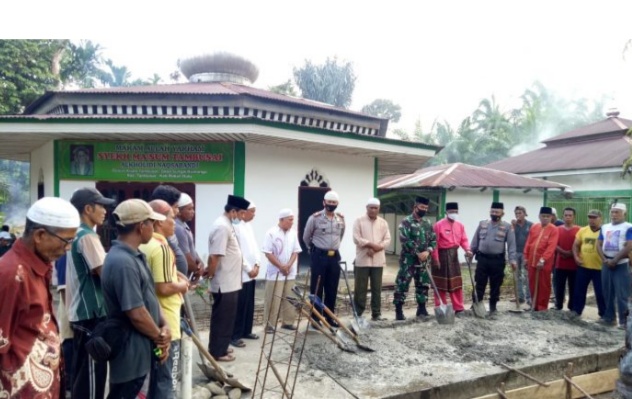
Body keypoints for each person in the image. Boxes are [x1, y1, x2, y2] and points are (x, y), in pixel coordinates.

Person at [0, 197, 80, 398]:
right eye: (67, 240)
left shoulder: (38, 266)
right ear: (40, 235)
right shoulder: (11, 274)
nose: (68, 248)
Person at [101, 199, 171, 398]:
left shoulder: (135, 256)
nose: (154, 227)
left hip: (144, 350)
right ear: (142, 227)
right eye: (151, 223)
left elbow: (150, 296)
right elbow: (136, 313)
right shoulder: (122, 262)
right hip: (131, 357)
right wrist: (160, 338)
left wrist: (164, 327)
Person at [66, 187, 115, 399]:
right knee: (93, 377)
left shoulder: (73, 234)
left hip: (79, 314)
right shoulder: (87, 237)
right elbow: (105, 273)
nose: (105, 211)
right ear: (88, 208)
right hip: (91, 315)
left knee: (81, 375)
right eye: (101, 206)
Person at [140, 200, 189, 398]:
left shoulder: (144, 245)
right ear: (159, 221)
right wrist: (183, 285)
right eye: (172, 218)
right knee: (166, 379)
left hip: (152, 320)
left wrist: (176, 277)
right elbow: (164, 287)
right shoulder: (161, 248)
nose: (174, 224)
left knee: (155, 376)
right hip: (167, 322)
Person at [206, 194, 250, 362]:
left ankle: (221, 347)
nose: (242, 217)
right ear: (233, 211)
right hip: (223, 282)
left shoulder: (227, 224)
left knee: (227, 318)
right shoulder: (222, 227)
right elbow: (215, 256)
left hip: (230, 281)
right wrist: (209, 276)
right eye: (240, 214)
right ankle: (217, 352)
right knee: (222, 318)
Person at [303, 190, 345, 327]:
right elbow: (306, 237)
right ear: (324, 202)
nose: (331, 205)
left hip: (334, 257)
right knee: (317, 288)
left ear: (337, 204)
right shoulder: (314, 218)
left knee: (332, 288)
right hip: (319, 256)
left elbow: (341, 236)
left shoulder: (340, 219)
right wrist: (314, 250)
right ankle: (315, 318)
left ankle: (329, 317)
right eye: (329, 202)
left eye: (334, 203)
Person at [393, 196, 436, 321]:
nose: (424, 210)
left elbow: (433, 240)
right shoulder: (405, 222)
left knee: (423, 284)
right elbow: (404, 240)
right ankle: (398, 310)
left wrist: (428, 252)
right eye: (422, 207)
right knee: (402, 284)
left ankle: (421, 309)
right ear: (415, 207)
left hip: (424, 261)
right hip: (409, 261)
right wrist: (418, 252)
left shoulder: (427, 223)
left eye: (426, 208)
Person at [470, 202, 517, 317]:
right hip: (482, 259)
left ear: (502, 213)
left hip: (497, 261)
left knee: (495, 284)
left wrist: (513, 260)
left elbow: (511, 245)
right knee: (479, 282)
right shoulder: (482, 224)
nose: (494, 213)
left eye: (497, 212)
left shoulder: (507, 227)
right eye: (492, 211)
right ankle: (476, 304)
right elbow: (475, 241)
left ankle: (493, 307)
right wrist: (471, 252)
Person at [262, 209, 302, 332]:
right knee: (273, 298)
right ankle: (270, 325)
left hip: (290, 271)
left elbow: (296, 251)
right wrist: (281, 266)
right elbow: (268, 253)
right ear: (281, 220)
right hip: (275, 272)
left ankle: (288, 322)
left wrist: (288, 266)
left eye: (292, 220)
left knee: (290, 297)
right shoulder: (271, 233)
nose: (292, 223)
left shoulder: (293, 233)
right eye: (289, 220)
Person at [352, 198, 391, 321]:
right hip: (362, 260)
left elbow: (387, 239)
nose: (373, 210)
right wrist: (370, 244)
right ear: (367, 208)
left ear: (379, 209)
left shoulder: (383, 223)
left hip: (378, 260)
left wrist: (376, 248)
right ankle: (358, 313)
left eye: (376, 208)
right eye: (371, 207)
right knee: (360, 288)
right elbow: (356, 238)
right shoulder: (359, 221)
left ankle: (376, 313)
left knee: (377, 288)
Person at [431, 202, 472, 317]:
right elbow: (434, 244)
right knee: (440, 284)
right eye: (451, 212)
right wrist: (435, 259)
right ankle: (441, 307)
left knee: (456, 283)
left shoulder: (460, 226)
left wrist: (467, 250)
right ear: (446, 212)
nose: (454, 214)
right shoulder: (438, 225)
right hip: (441, 256)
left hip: (454, 256)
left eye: (455, 212)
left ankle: (458, 308)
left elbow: (464, 240)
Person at [597, 203, 632, 329]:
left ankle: (624, 322)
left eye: (617, 212)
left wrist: (616, 260)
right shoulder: (605, 227)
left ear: (624, 213)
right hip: (607, 264)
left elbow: (629, 245)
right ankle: (609, 318)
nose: (614, 214)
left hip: (621, 264)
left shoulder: (629, 227)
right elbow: (598, 244)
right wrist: (605, 260)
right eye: (612, 212)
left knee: (622, 294)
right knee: (607, 292)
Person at [231, 202, 261, 347]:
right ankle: (235, 335)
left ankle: (246, 330)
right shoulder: (235, 228)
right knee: (240, 305)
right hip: (242, 273)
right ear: (243, 212)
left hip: (252, 272)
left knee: (249, 303)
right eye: (252, 212)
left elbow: (255, 248)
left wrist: (257, 264)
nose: (254, 215)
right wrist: (249, 269)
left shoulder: (249, 227)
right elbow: (238, 253)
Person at [523, 206, 560, 312]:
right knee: (532, 283)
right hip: (531, 261)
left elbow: (551, 247)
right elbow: (528, 243)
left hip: (544, 263)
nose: (545, 218)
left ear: (551, 217)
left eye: (547, 216)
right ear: (539, 216)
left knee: (544, 285)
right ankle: (534, 305)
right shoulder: (534, 227)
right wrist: (526, 257)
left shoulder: (554, 229)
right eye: (543, 216)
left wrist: (543, 260)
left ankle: (542, 307)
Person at [572, 209, 606, 320]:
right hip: (583, 267)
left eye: (594, 217)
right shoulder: (583, 230)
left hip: (600, 268)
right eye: (590, 217)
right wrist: (576, 257)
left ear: (601, 218)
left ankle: (604, 315)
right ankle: (577, 311)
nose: (591, 220)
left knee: (601, 293)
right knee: (579, 290)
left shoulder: (605, 231)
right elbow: (575, 245)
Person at [151, 185, 188, 276]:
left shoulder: (170, 228)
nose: (178, 211)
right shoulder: (156, 241)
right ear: (164, 206)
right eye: (175, 207)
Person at [54, 253, 74, 397]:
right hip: (69, 310)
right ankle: (67, 383)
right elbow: (63, 288)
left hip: (72, 308)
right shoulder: (65, 254)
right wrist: (71, 315)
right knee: (69, 343)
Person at [553, 207, 580, 311]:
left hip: (574, 264)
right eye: (566, 215)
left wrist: (572, 253)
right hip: (560, 263)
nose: (568, 217)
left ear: (574, 217)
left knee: (573, 286)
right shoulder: (557, 229)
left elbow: (580, 244)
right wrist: (563, 252)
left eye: (570, 215)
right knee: (559, 286)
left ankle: (572, 306)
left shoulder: (579, 230)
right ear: (563, 216)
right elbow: (554, 243)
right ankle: (558, 305)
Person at [175, 193, 204, 280]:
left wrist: (200, 263)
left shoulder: (184, 225)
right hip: (181, 277)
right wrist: (198, 270)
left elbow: (191, 249)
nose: (193, 211)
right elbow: (186, 257)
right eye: (189, 209)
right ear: (179, 212)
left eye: (193, 208)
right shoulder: (178, 228)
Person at [511, 206, 533, 305]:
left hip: (526, 253)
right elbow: (510, 238)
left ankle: (529, 297)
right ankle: (520, 297)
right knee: (517, 275)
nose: (518, 215)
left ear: (524, 213)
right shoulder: (513, 225)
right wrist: (513, 226)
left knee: (527, 275)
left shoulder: (530, 225)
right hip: (516, 252)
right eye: (516, 213)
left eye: (520, 213)